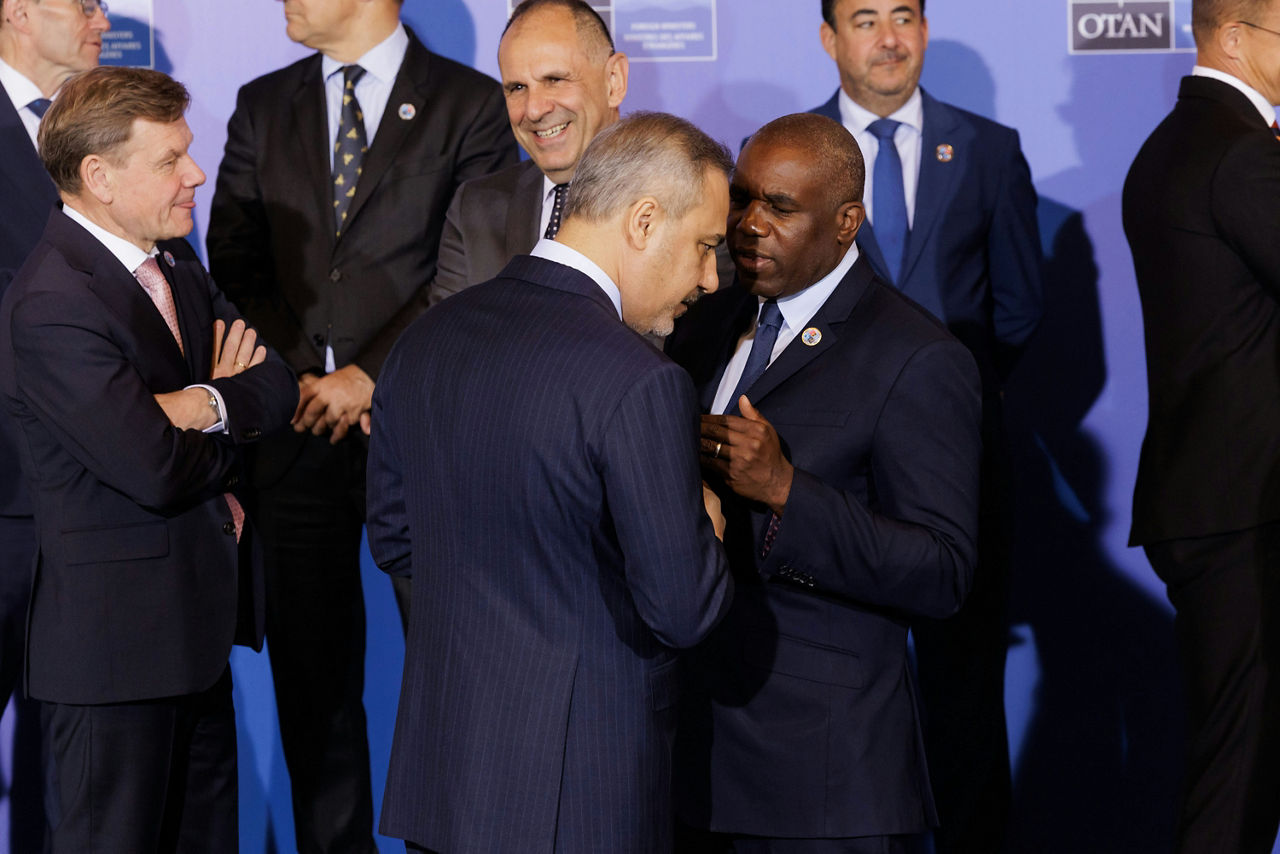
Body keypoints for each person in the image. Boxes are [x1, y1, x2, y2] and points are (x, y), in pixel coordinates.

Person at [366, 111, 735, 854]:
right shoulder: (641, 381)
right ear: (642, 221)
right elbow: (683, 611)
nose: (710, 278)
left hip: (442, 785)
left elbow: (396, 541)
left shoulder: (425, 340)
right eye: (704, 245)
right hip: (579, 794)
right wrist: (707, 526)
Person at [205, 0, 517, 847]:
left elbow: (476, 263)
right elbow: (233, 254)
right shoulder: (262, 102)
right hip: (296, 432)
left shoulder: (471, 103)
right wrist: (304, 375)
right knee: (314, 687)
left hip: (419, 429)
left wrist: (371, 374)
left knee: (452, 672)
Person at [0, 65, 297, 853]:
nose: (195, 173)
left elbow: (276, 385)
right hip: (113, 664)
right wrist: (223, 403)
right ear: (99, 177)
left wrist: (196, 404)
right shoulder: (53, 302)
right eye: (170, 159)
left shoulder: (178, 264)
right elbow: (153, 468)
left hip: (198, 645)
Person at [667, 112, 981, 853]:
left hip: (823, 780)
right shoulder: (702, 320)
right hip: (689, 755)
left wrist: (787, 491)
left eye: (779, 207)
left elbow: (942, 571)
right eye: (742, 199)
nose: (749, 225)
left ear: (846, 223)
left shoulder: (916, 356)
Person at [811, 2, 1044, 849]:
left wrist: (944, 407)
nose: (889, 38)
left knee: (964, 696)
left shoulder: (988, 148)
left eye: (903, 16)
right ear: (830, 39)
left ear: (925, 30)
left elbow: (1017, 310)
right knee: (839, 692)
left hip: (960, 470)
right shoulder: (793, 151)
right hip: (831, 475)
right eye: (865, 18)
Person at [1124, 1, 1280, 850]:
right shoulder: (1240, 153)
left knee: (1241, 760)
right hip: (1246, 506)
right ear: (1234, 37)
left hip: (1211, 497)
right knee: (1240, 769)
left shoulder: (1173, 143)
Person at [0, 0, 107, 841]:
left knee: (71, 754)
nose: (102, 18)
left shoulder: (108, 130)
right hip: (1, 493)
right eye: (84, 2)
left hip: (94, 497)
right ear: (19, 12)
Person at [428, 0, 627, 304]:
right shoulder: (475, 208)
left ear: (614, 81)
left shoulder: (679, 197)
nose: (534, 109)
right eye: (517, 88)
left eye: (555, 80)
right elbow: (447, 331)